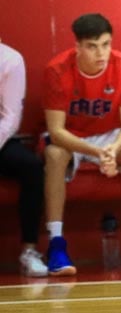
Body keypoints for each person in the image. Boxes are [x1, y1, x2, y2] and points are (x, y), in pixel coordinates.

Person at [42, 13, 121, 274]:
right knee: (54, 155)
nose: (100, 53)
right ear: (78, 47)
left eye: (105, 44)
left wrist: (112, 149)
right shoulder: (56, 70)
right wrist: (98, 152)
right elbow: (56, 131)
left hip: (110, 134)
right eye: (92, 46)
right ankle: (56, 243)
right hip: (72, 135)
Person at [0, 38, 47, 276]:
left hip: (1, 140)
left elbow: (10, 118)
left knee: (31, 168)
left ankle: (29, 250)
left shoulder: (10, 60)